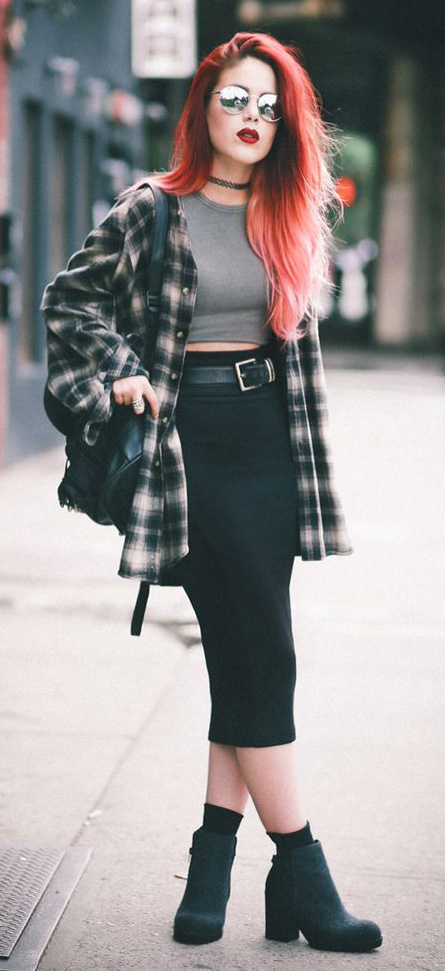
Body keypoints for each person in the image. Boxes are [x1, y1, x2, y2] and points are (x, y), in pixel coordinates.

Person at [42, 31, 382, 953]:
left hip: (271, 446)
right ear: (203, 107)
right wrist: (115, 372)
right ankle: (302, 870)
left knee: (246, 654)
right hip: (185, 449)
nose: (252, 119)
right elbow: (69, 302)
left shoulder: (287, 214)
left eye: (268, 106)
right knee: (260, 656)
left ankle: (215, 860)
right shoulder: (154, 209)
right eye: (236, 100)